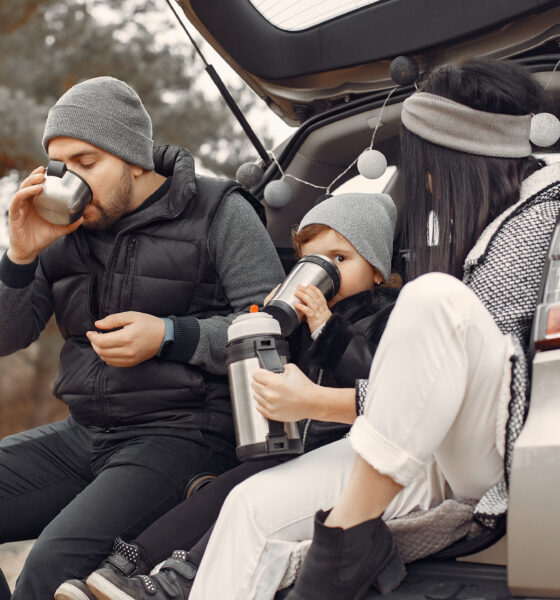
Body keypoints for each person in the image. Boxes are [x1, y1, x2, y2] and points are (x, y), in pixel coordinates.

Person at [177, 58, 560, 600]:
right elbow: (418, 394)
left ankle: (345, 538)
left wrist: (316, 401)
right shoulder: (491, 232)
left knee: (432, 296)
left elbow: (476, 389)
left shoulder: (543, 218)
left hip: (498, 449)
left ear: (464, 156)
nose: (427, 183)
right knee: (249, 507)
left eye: (428, 165)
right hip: (429, 448)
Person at [0, 76, 287, 600]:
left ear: (133, 157)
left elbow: (274, 328)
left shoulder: (220, 210)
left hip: (185, 434)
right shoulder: (60, 230)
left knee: (50, 564)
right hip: (86, 433)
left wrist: (170, 336)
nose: (72, 179)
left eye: (87, 162)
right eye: (61, 165)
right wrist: (19, 257)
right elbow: (7, 334)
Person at [56, 192, 401, 600]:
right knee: (217, 491)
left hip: (339, 450)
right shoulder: (303, 318)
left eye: (340, 259)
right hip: (288, 445)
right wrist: (269, 325)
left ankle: (177, 579)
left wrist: (328, 328)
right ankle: (127, 565)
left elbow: (375, 380)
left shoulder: (388, 313)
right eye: (310, 261)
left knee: (243, 497)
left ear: (377, 270)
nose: (326, 272)